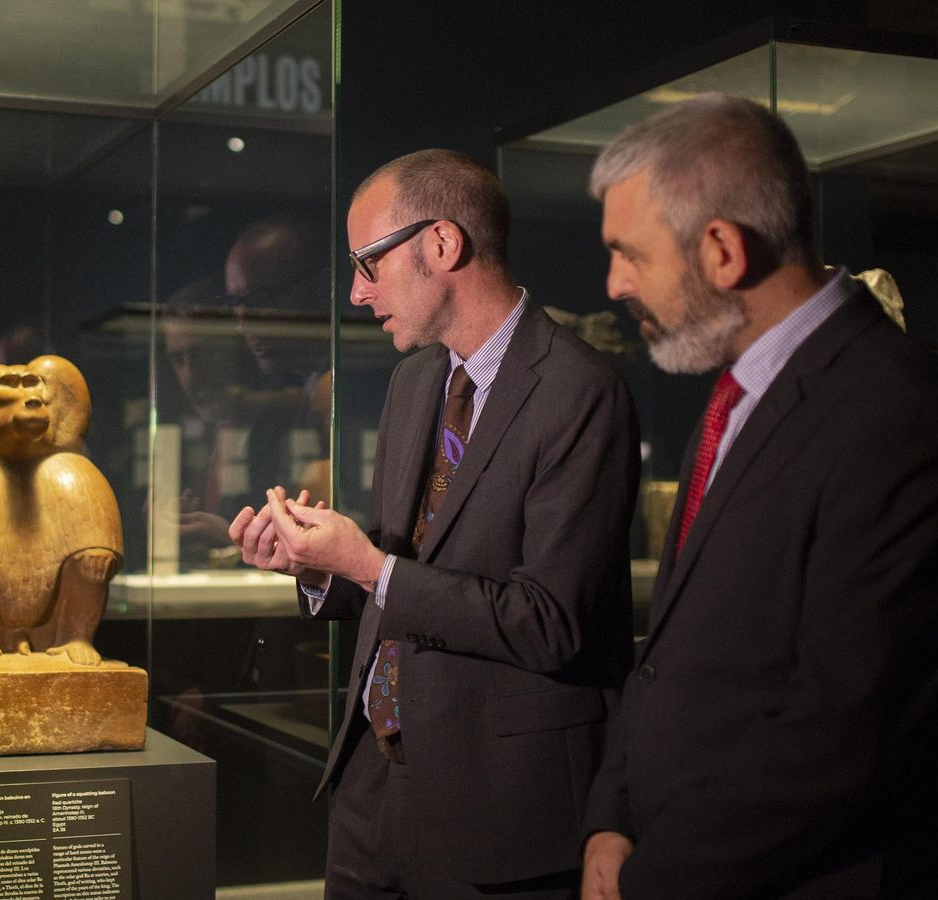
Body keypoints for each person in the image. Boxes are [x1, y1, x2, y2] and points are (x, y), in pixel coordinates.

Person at [580, 94, 938, 900]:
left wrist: (653, 879)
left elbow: (845, 737)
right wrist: (612, 816)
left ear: (721, 251)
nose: (614, 284)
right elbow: (669, 660)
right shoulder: (738, 399)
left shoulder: (906, 418)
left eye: (629, 254)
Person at [231, 149, 640, 898]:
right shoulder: (414, 381)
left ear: (443, 246)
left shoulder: (581, 394)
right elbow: (402, 577)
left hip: (498, 816)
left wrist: (366, 565)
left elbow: (551, 622)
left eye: (368, 263)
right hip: (370, 791)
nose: (357, 292)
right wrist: (318, 565)